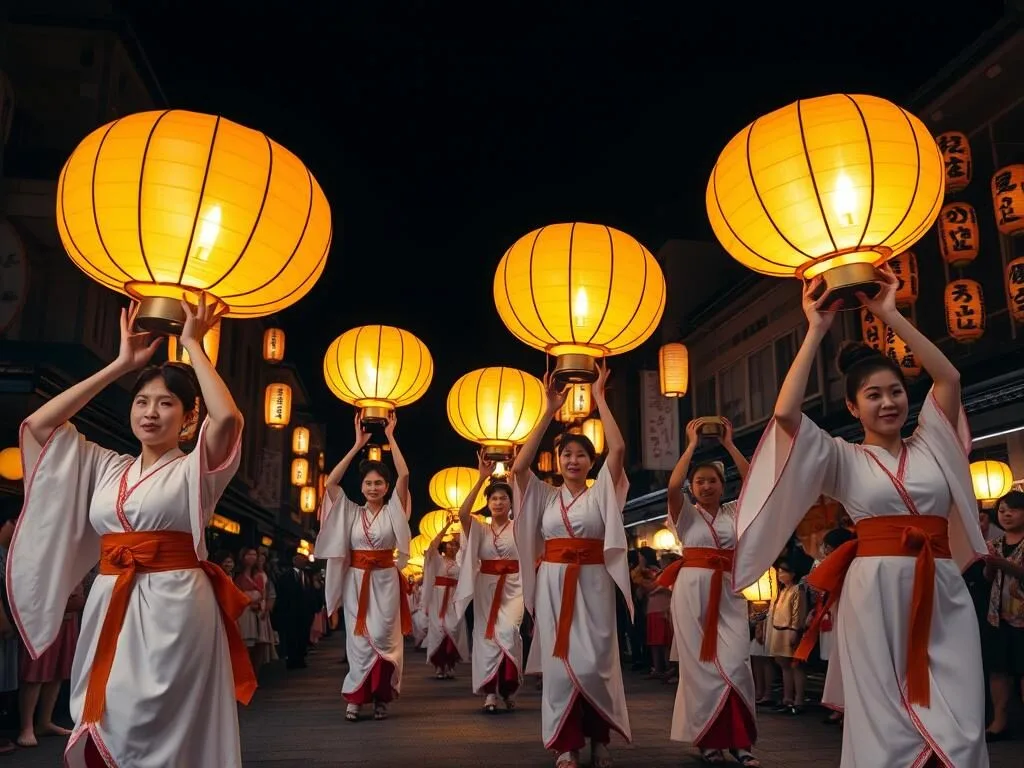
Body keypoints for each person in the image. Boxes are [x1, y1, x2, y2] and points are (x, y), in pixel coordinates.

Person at [733, 269, 989, 767]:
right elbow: (786, 415)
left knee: (960, 713)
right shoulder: (841, 458)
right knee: (884, 714)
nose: (888, 402)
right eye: (873, 395)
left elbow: (949, 378)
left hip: (941, 587)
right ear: (853, 405)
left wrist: (888, 313)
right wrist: (815, 329)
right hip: (872, 594)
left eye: (895, 391)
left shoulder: (933, 441)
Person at [7, 294, 254, 768]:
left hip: (177, 605)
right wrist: (119, 366)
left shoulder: (195, 470)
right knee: (106, 716)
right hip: (109, 601)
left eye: (166, 403)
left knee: (164, 722)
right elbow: (38, 426)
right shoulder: (106, 465)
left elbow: (229, 419)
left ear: (188, 419)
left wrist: (193, 345)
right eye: (142, 401)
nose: (151, 412)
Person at [512, 363, 631, 768]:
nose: (574, 460)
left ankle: (600, 740)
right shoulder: (544, 496)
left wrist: (599, 396)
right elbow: (518, 468)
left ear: (590, 461)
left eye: (581, 454)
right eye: (567, 454)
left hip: (595, 583)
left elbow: (617, 450)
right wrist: (548, 410)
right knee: (560, 667)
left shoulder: (602, 495)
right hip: (554, 584)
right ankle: (567, 744)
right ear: (558, 461)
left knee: (595, 663)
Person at [661, 416, 758, 766]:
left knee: (736, 665)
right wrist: (690, 446)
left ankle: (742, 742)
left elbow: (755, 481)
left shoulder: (735, 512)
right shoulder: (685, 514)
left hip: (730, 592)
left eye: (712, 481)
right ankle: (709, 741)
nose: (706, 486)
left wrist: (730, 444)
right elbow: (672, 488)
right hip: (691, 593)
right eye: (699, 481)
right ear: (692, 487)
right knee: (700, 670)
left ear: (722, 484)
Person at [316, 412, 411, 722]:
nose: (373, 487)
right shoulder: (350, 511)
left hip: (385, 580)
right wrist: (357, 445)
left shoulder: (394, 509)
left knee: (385, 638)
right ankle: (356, 697)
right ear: (362, 487)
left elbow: (405, 475)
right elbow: (330, 482)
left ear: (386, 488)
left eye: (379, 483)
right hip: (356, 580)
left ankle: (382, 698)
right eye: (368, 483)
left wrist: (392, 436)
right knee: (358, 641)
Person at [454, 450, 524, 713]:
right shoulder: (480, 528)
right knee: (486, 638)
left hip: (515, 586)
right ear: (487, 503)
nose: (498, 502)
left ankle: (509, 687)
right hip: (486, 586)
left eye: (503, 498)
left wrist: (518, 473)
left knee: (508, 633)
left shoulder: (519, 526)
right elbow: (462, 513)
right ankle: (491, 693)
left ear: (511, 502)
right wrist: (482, 477)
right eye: (493, 498)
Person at [982, 490, 1024, 740]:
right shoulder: (994, 544)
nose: (1006, 514)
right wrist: (989, 564)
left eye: (1013, 509)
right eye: (1002, 510)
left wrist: (1001, 564)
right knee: (998, 670)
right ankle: (999, 722)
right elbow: (989, 578)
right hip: (997, 616)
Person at [423, 516, 468, 678]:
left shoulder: (461, 563)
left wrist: (461, 530)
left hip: (453, 600)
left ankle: (450, 664)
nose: (452, 546)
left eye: (455, 544)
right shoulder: (436, 560)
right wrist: (447, 525)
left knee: (452, 629)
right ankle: (439, 665)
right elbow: (432, 546)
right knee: (438, 630)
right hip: (438, 598)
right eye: (450, 543)